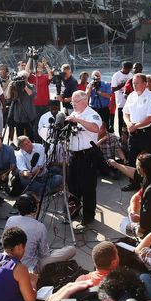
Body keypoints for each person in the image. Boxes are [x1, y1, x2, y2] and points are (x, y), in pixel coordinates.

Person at [4, 193, 75, 272]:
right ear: (34, 208)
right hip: (30, 268)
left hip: (8, 264)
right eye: (37, 203)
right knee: (71, 250)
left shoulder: (11, 219)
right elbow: (44, 254)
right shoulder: (39, 227)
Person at [66, 91, 102, 226]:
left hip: (87, 155)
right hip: (73, 155)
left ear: (84, 101)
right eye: (72, 102)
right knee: (73, 185)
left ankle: (88, 215)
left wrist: (78, 120)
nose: (73, 104)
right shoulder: (74, 113)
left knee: (87, 187)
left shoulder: (92, 114)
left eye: (75, 102)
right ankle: (74, 209)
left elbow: (95, 128)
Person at [122, 73, 151, 191]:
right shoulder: (131, 95)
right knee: (132, 158)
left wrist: (136, 126)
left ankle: (148, 185)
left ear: (144, 83)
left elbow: (150, 117)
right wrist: (128, 124)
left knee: (146, 160)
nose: (135, 85)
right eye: (133, 83)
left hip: (146, 133)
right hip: (133, 133)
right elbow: (125, 112)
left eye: (137, 83)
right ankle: (134, 183)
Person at [26, 57, 53, 140]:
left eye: (41, 67)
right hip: (35, 104)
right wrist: (30, 58)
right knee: (36, 123)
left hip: (45, 104)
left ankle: (46, 139)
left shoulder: (45, 77)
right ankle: (37, 140)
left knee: (46, 123)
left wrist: (46, 65)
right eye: (38, 66)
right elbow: (27, 71)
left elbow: (50, 76)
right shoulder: (33, 77)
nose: (39, 68)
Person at [10, 70, 37, 141]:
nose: (23, 79)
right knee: (19, 136)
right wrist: (11, 86)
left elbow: (33, 96)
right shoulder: (15, 87)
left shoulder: (31, 86)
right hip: (18, 116)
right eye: (21, 77)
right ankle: (20, 149)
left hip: (29, 114)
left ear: (27, 78)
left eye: (25, 77)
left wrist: (24, 86)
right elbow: (10, 97)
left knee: (30, 135)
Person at [111, 61, 133, 136]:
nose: (128, 71)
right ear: (123, 68)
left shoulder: (131, 75)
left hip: (130, 102)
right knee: (121, 121)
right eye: (127, 69)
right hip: (121, 102)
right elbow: (113, 89)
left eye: (130, 69)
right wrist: (125, 83)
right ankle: (121, 136)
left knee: (128, 121)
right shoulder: (116, 75)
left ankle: (127, 136)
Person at [0, 64, 15, 146]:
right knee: (0, 125)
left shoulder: (11, 80)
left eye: (4, 69)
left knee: (11, 124)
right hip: (0, 104)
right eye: (1, 69)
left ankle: (11, 141)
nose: (3, 71)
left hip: (10, 103)